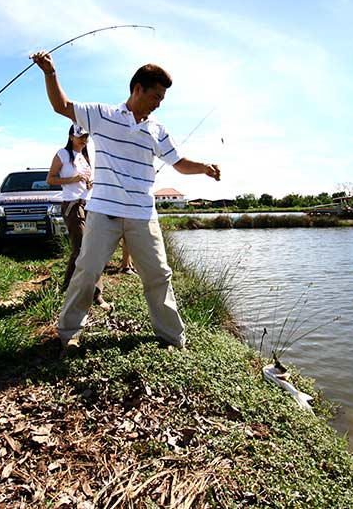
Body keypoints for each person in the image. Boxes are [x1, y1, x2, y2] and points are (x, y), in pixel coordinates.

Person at [31, 51, 221, 350]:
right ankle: (69, 333)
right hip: (103, 211)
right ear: (137, 89)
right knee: (87, 272)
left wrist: (205, 168)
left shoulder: (158, 129)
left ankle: (173, 338)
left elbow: (180, 163)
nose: (159, 102)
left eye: (162, 98)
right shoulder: (102, 114)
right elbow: (62, 106)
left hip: (143, 215)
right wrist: (50, 73)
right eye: (155, 95)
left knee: (159, 275)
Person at [46, 123, 111, 310]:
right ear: (71, 136)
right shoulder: (62, 154)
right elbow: (50, 179)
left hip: (89, 204)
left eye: (86, 137)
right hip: (72, 206)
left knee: (93, 248)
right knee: (81, 248)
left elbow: (86, 183)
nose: (84, 140)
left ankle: (93, 293)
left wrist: (90, 183)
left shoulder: (85, 156)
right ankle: (72, 289)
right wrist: (72, 180)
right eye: (80, 136)